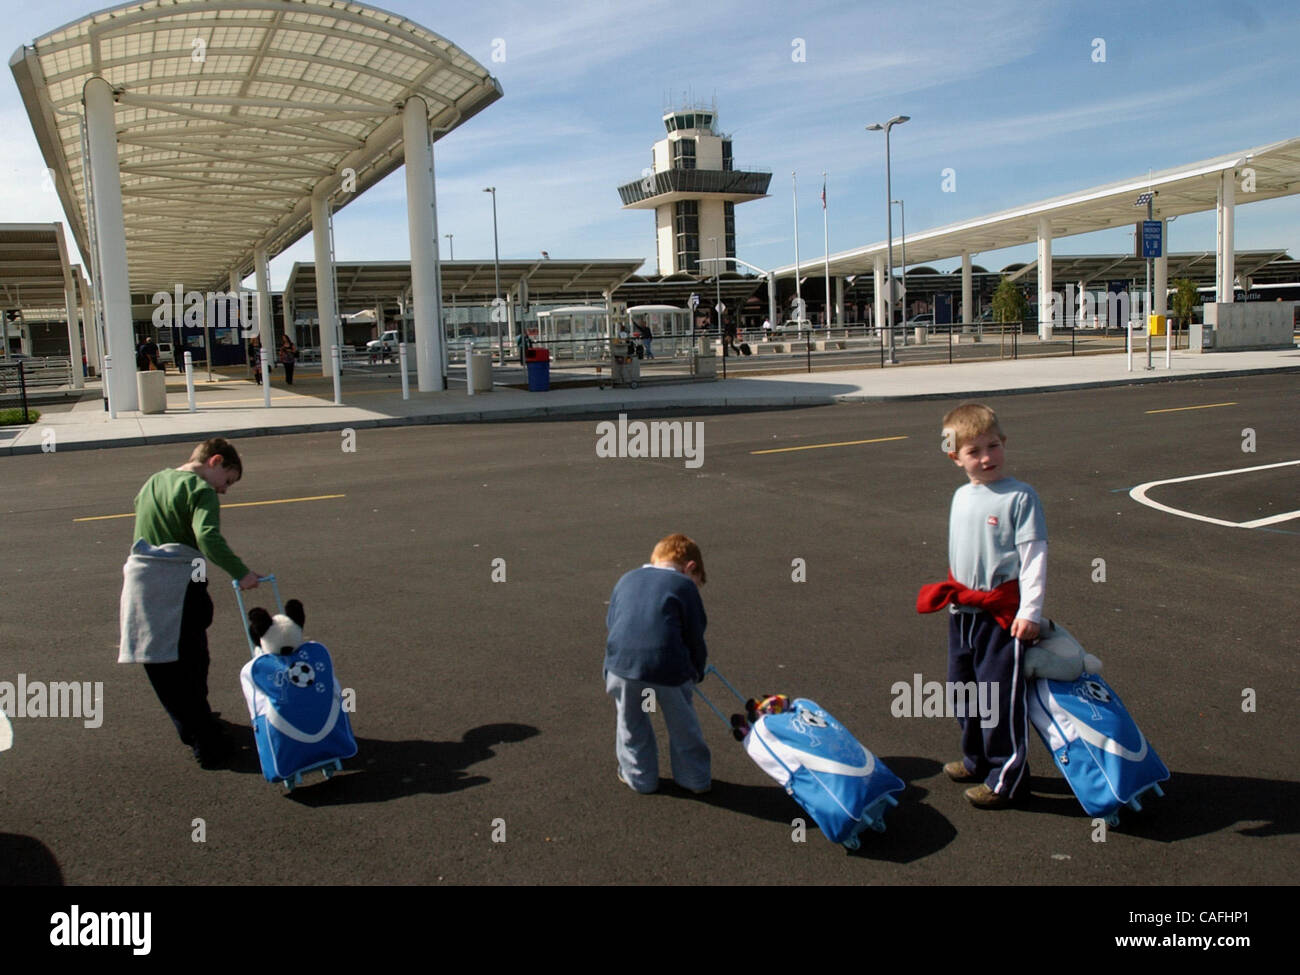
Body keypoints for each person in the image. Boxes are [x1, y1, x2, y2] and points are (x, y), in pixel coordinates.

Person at [916, 403, 1046, 809]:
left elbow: (1034, 557)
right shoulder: (961, 496)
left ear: (1004, 443)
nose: (986, 458)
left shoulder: (1021, 497)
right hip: (963, 614)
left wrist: (1031, 612)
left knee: (998, 697)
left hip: (1000, 618)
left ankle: (1005, 776)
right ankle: (975, 759)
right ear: (955, 458)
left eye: (993, 446)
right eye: (974, 452)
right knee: (964, 692)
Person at [118, 438, 262, 768]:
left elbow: (141, 509)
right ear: (215, 462)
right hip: (179, 584)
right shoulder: (201, 491)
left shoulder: (155, 480)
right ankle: (206, 741)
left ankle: (193, 726)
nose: (225, 490)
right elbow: (207, 537)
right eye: (228, 480)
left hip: (141, 582)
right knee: (193, 661)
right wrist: (241, 573)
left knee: (160, 661)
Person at [604, 533, 710, 795]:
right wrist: (697, 670)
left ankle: (639, 778)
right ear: (690, 568)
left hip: (622, 665)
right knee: (682, 726)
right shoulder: (683, 586)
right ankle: (694, 779)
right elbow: (695, 636)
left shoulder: (626, 578)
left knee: (631, 724)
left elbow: (612, 623)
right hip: (668, 667)